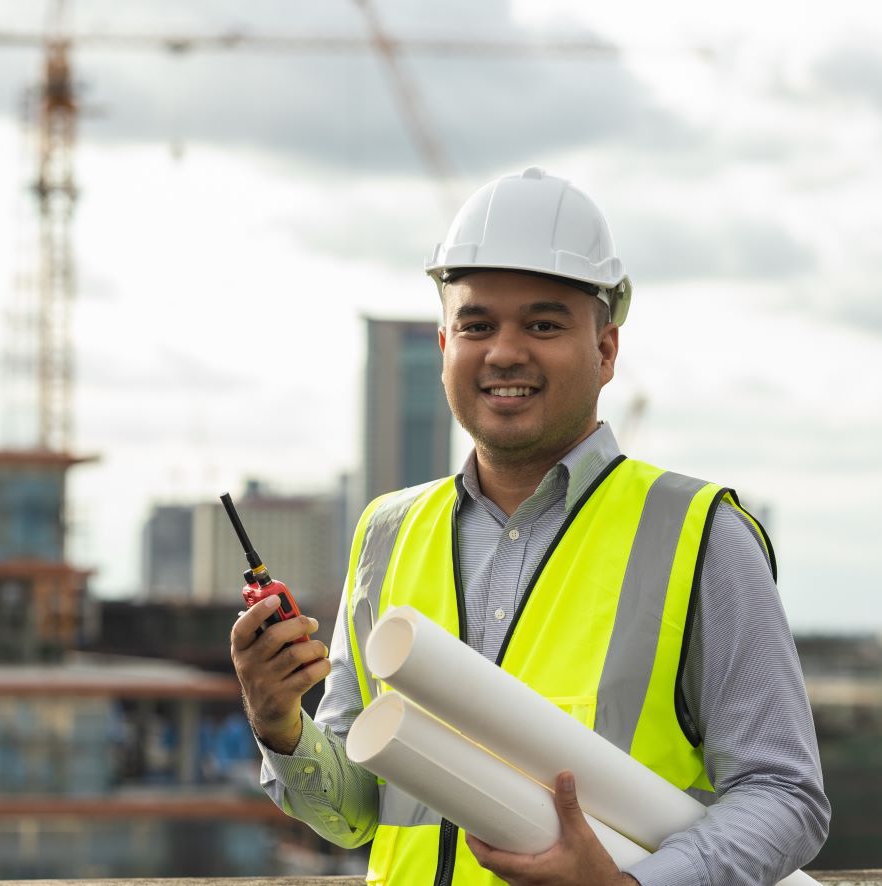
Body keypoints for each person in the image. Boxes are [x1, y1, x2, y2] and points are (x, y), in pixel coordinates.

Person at [231, 167, 830, 885]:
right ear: (445, 344)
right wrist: (279, 724)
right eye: (476, 325)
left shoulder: (701, 536)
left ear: (605, 350)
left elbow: (785, 796)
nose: (504, 351)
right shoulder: (386, 534)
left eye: (543, 325)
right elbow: (355, 813)